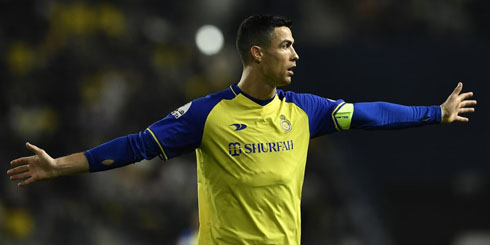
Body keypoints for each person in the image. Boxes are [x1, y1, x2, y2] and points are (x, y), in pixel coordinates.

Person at [7, 15, 476, 245]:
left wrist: (434, 113)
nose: (295, 55)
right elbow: (136, 147)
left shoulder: (306, 111)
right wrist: (59, 166)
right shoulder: (205, 115)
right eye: (286, 45)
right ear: (257, 53)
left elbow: (370, 114)